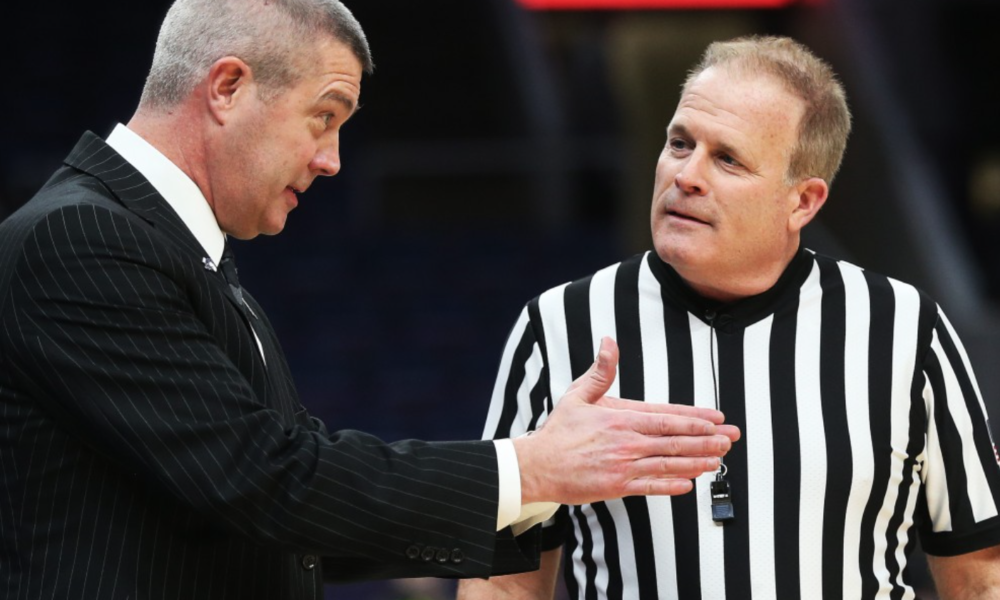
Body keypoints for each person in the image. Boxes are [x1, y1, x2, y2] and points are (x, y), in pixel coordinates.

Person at [0, 1, 743, 598]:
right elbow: (269, 482)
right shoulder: (80, 240)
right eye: (324, 117)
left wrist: (546, 497)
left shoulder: (169, 250)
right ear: (227, 87)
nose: (331, 160)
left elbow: (283, 524)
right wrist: (531, 469)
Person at [459, 35, 1000, 600]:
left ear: (802, 201)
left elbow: (981, 576)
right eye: (679, 143)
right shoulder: (559, 326)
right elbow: (503, 583)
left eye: (727, 159)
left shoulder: (905, 328)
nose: (686, 175)